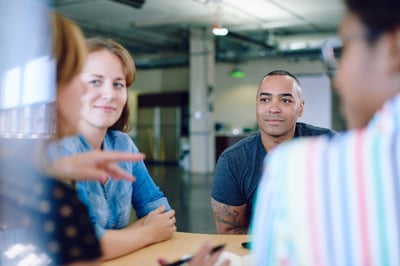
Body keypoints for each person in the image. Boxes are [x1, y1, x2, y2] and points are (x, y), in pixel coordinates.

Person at [251, 0, 400, 264]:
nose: (338, 79)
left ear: (393, 46)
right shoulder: (233, 158)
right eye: (265, 100)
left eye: (343, 50)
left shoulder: (296, 170)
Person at [56, 37, 176, 261]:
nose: (109, 94)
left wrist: (118, 240)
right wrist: (146, 231)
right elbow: (84, 245)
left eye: (118, 84)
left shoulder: (122, 143)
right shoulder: (58, 152)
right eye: (95, 81)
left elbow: (160, 211)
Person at [211, 70, 336, 234]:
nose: (274, 108)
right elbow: (229, 231)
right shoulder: (233, 161)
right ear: (256, 105)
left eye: (285, 100)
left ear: (300, 108)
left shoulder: (329, 146)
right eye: (265, 100)